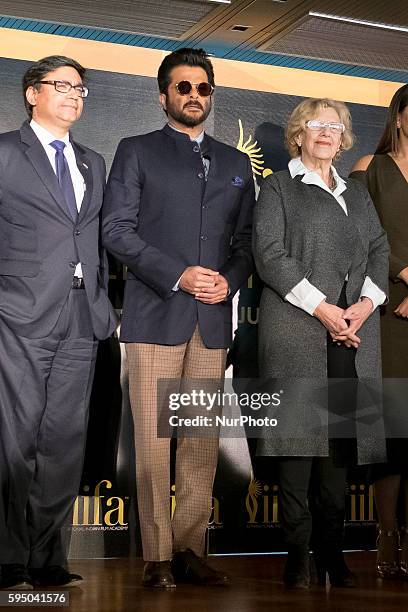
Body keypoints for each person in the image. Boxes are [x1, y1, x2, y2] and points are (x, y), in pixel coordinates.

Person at [102, 48, 254, 588]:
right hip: (155, 317)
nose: (194, 95)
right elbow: (117, 231)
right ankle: (157, 557)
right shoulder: (136, 151)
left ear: (212, 94)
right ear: (163, 94)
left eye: (203, 88)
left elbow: (244, 244)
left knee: (198, 443)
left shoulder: (236, 164)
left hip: (212, 324)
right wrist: (180, 275)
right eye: (183, 87)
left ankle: (189, 550)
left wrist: (228, 280)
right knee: (152, 442)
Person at [252, 98, 389, 589]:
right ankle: (297, 554)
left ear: (345, 137)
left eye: (336, 126)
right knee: (296, 448)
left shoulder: (356, 192)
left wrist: (364, 306)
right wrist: (325, 309)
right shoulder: (278, 188)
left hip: (351, 335)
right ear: (299, 134)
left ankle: (332, 552)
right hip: (297, 330)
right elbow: (270, 254)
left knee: (337, 449)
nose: (328, 132)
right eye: (318, 124)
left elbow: (379, 247)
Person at [0, 55, 117, 590]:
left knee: (63, 441)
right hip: (18, 311)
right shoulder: (5, 152)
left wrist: (101, 304)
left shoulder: (93, 160)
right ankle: (7, 559)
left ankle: (48, 561)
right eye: (61, 86)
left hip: (80, 315)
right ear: (32, 93)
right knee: (14, 438)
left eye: (80, 89)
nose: (74, 96)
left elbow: (93, 239)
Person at [351, 84, 408, 579]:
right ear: (400, 116)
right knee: (391, 431)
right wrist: (405, 276)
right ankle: (385, 537)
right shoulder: (371, 167)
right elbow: (358, 236)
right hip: (387, 316)